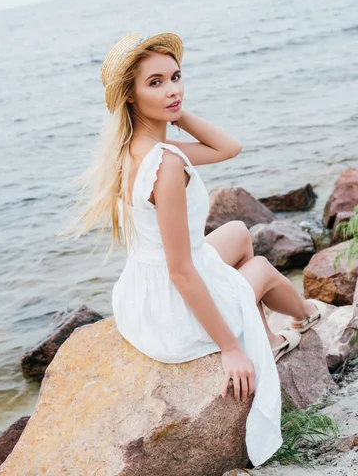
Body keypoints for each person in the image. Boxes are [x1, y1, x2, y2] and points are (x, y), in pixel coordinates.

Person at [63, 32, 325, 467]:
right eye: (156, 83)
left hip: (141, 291)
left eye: (176, 78)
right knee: (257, 264)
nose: (173, 90)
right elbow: (181, 270)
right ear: (129, 95)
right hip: (171, 304)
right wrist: (231, 348)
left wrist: (176, 113)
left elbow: (228, 148)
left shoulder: (140, 149)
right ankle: (304, 317)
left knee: (239, 231)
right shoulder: (165, 165)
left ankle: (276, 324)